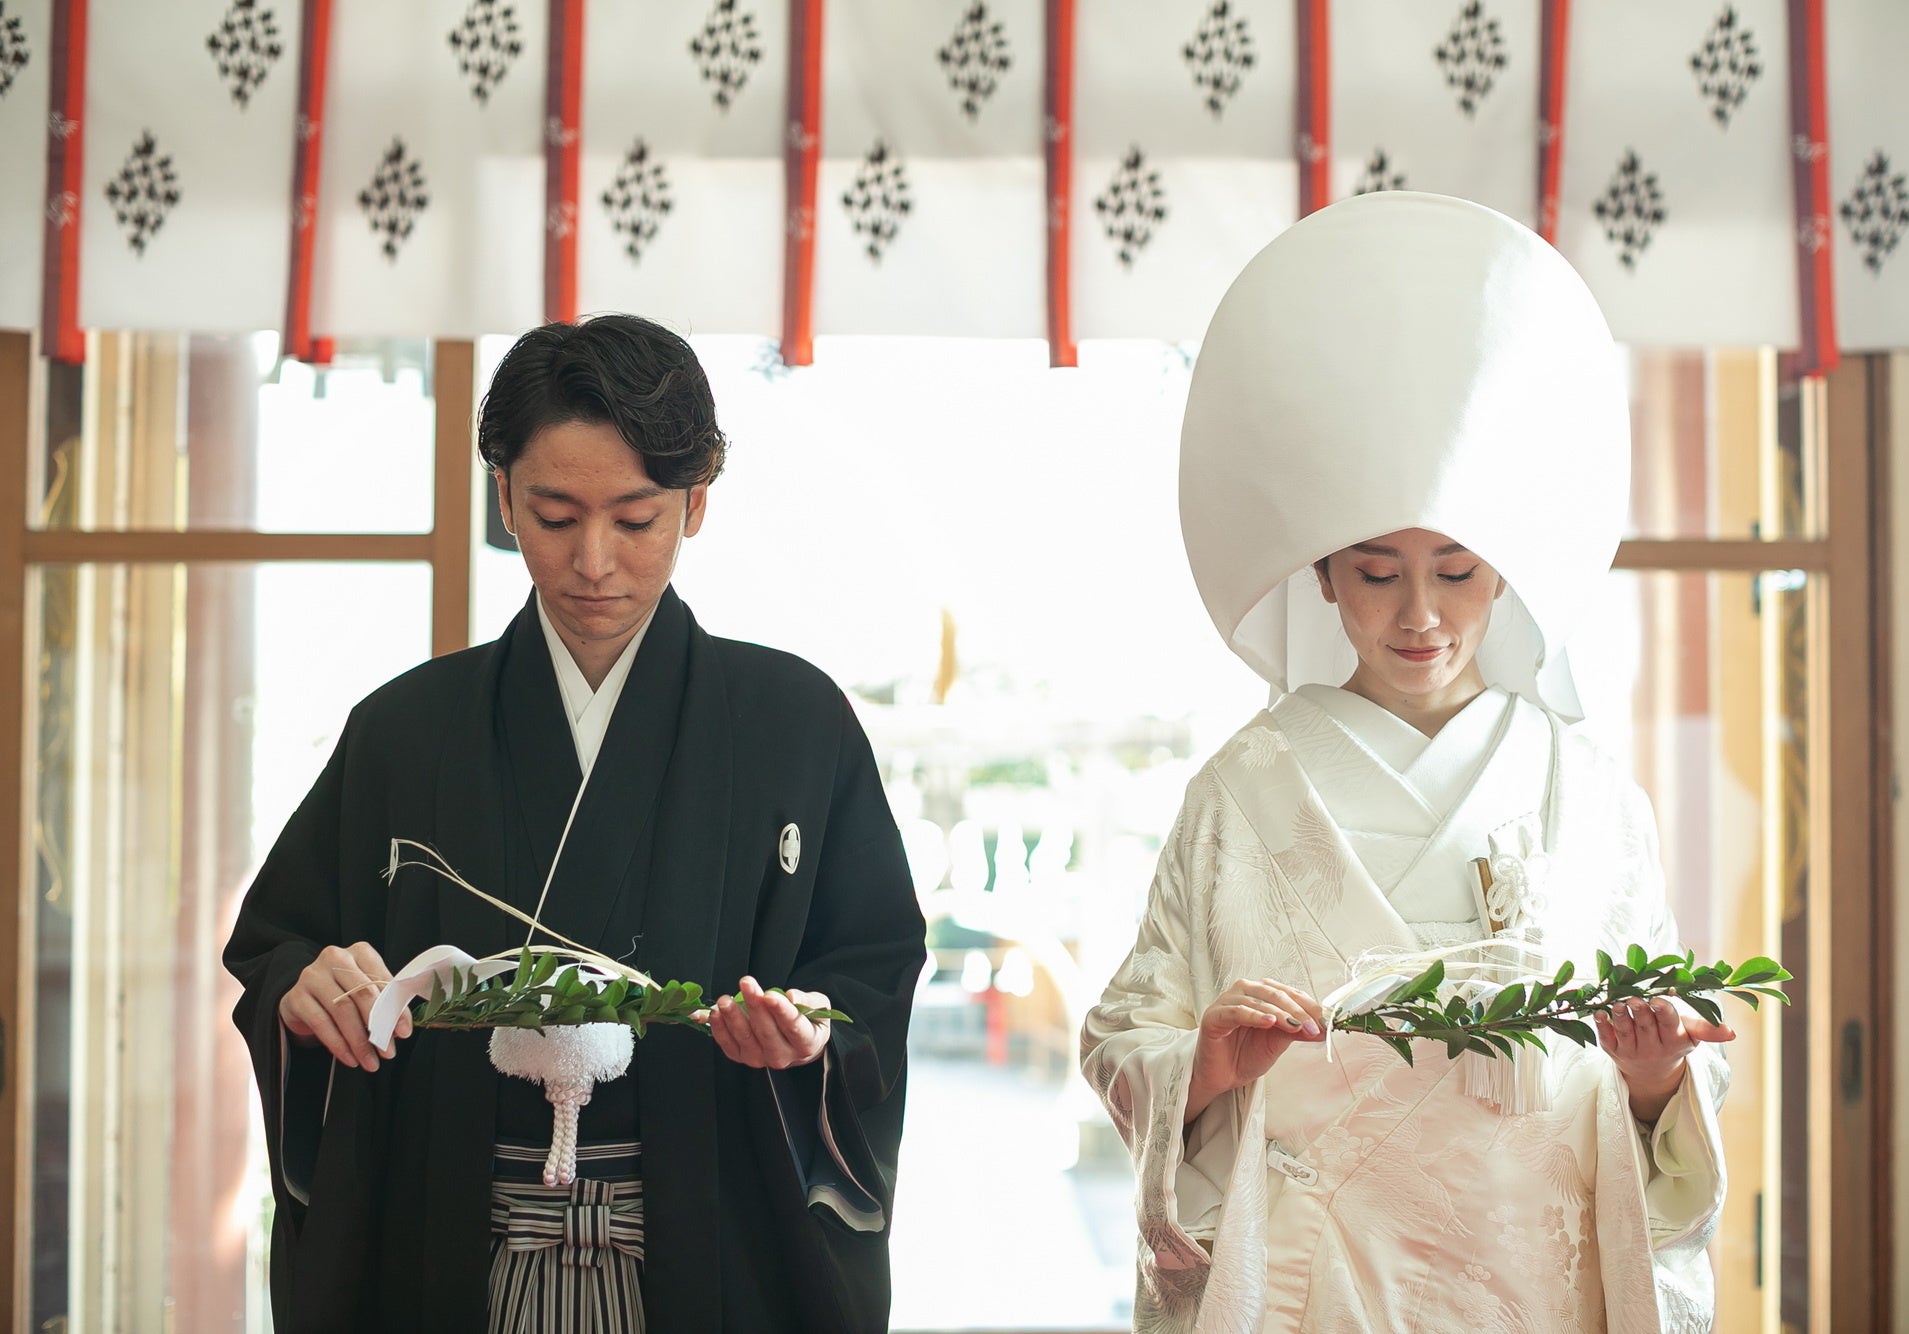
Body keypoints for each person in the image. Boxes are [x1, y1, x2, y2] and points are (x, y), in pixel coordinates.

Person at [1080, 194, 1733, 1333]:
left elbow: (1666, 1051)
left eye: (1459, 570)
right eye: (1376, 573)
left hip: (1539, 1276)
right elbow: (1120, 1034)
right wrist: (1211, 1063)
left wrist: (1651, 1079)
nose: (1418, 615)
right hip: (1313, 1281)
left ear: (1507, 575)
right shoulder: (1244, 787)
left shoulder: (1583, 793)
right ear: (1322, 573)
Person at [224, 314, 926, 1333]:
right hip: (455, 1241)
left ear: (694, 502)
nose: (594, 561)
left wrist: (809, 1037)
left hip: (710, 1244)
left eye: (634, 519)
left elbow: (873, 968)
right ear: (503, 494)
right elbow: (280, 945)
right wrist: (309, 987)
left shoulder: (793, 720)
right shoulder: (405, 729)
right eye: (554, 514)